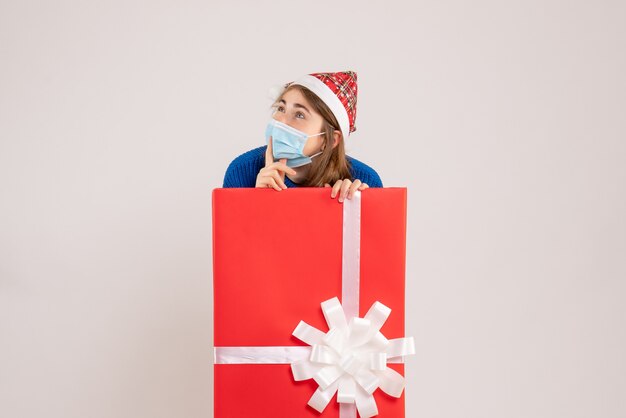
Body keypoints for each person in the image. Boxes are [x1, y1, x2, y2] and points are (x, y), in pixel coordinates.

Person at [222, 70, 382, 202]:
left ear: (330, 139)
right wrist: (259, 203)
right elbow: (231, 240)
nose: (281, 121)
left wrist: (350, 209)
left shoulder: (365, 181)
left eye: (299, 115)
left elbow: (377, 240)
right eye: (281, 108)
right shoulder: (241, 172)